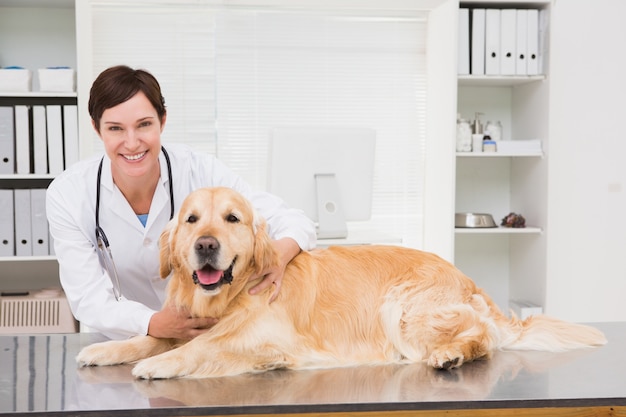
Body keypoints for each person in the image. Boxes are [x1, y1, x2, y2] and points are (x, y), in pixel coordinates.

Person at [46, 65, 316, 340]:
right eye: (115, 128)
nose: (131, 143)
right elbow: (87, 297)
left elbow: (293, 221)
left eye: (144, 125)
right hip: (126, 339)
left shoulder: (200, 171)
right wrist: (151, 323)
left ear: (162, 121)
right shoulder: (69, 194)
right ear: (96, 128)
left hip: (210, 334)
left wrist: (279, 254)